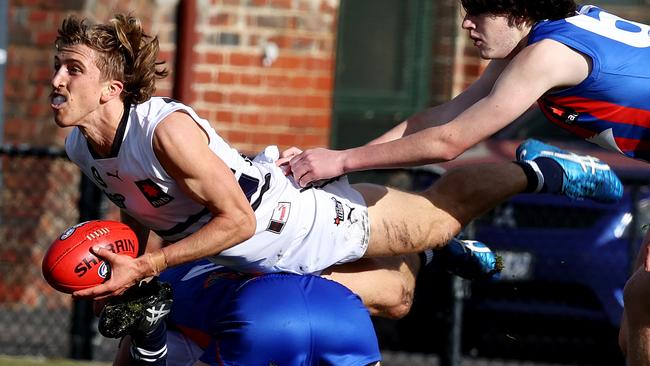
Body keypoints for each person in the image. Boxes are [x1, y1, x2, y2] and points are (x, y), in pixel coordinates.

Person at [51, 12, 619, 310]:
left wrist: (153, 266)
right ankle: (436, 254)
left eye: (73, 68)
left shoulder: (164, 130)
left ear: (113, 88)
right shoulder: (82, 144)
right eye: (59, 66)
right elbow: (140, 204)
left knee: (439, 213)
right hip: (245, 254)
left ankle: (538, 168)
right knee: (397, 299)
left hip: (288, 222)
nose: (56, 81)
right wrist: (127, 256)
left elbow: (239, 221)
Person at [281, 1, 650, 364]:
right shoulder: (533, 43)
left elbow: (450, 142)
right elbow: (440, 119)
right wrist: (340, 164)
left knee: (644, 298)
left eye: (477, 11)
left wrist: (343, 160)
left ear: (518, 10)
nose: (466, 24)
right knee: (635, 328)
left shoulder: (547, 54)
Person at [110, 259, 384, 366]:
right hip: (341, 305)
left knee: (147, 337)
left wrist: (150, 339)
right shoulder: (196, 261)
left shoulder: (162, 288)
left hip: (261, 316)